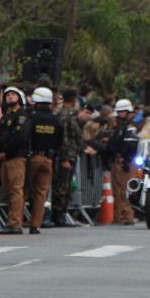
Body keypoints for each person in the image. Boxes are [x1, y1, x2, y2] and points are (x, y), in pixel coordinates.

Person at [25, 87, 63, 235]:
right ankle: (35, 225)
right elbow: (60, 140)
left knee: (24, 189)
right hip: (48, 158)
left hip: (32, 156)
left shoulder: (32, 118)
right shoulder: (56, 120)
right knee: (41, 193)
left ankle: (16, 220)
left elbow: (26, 136)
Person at [0, 87, 29, 234]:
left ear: (20, 98)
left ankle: (15, 223)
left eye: (13, 94)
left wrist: (6, 151)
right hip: (5, 158)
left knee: (15, 190)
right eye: (7, 95)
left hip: (15, 157)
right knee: (9, 191)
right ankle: (12, 221)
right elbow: (0, 135)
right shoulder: (5, 117)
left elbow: (18, 136)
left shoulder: (22, 116)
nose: (9, 97)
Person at [49, 88, 82, 228]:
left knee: (66, 187)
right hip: (65, 156)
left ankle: (61, 214)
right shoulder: (64, 115)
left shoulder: (68, 114)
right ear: (73, 100)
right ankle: (58, 216)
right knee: (62, 187)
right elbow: (64, 138)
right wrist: (65, 158)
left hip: (71, 155)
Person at [108, 98, 138, 225]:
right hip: (118, 160)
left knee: (125, 189)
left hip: (125, 161)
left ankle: (127, 216)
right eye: (118, 112)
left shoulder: (130, 128)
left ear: (128, 112)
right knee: (117, 190)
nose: (119, 114)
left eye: (122, 112)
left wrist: (125, 160)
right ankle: (118, 215)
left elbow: (130, 145)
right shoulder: (121, 127)